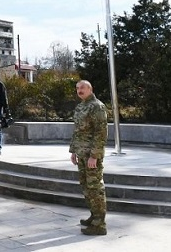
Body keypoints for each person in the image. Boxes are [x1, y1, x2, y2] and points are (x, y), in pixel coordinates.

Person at [69, 80, 109, 236]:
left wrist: (94, 156)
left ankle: (100, 224)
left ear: (90, 89)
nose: (79, 90)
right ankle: (94, 216)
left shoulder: (97, 106)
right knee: (86, 186)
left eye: (82, 88)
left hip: (91, 156)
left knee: (95, 187)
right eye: (77, 88)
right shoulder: (81, 106)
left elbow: (101, 133)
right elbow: (77, 131)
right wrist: (73, 151)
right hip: (81, 153)